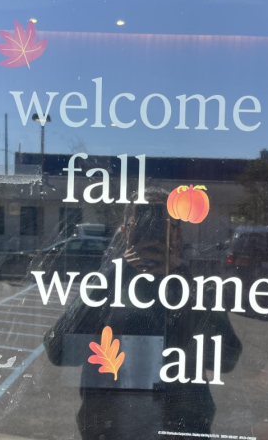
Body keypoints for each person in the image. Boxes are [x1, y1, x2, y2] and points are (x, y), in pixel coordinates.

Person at [44, 188, 243, 440]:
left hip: (181, 430)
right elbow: (58, 350)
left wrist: (182, 278)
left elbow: (227, 359)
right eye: (144, 224)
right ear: (126, 233)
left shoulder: (195, 291)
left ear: (178, 234)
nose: (154, 232)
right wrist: (118, 273)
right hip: (109, 430)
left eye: (164, 225)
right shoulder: (105, 286)